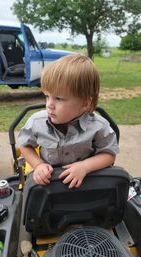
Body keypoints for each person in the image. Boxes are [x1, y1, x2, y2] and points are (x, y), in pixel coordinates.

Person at [18, 54, 118, 189]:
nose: (49, 105)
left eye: (58, 98)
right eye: (47, 96)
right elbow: (25, 145)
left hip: (85, 185)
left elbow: (109, 155)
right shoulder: (37, 123)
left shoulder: (99, 127)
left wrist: (85, 167)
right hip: (48, 186)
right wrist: (39, 165)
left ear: (84, 103)